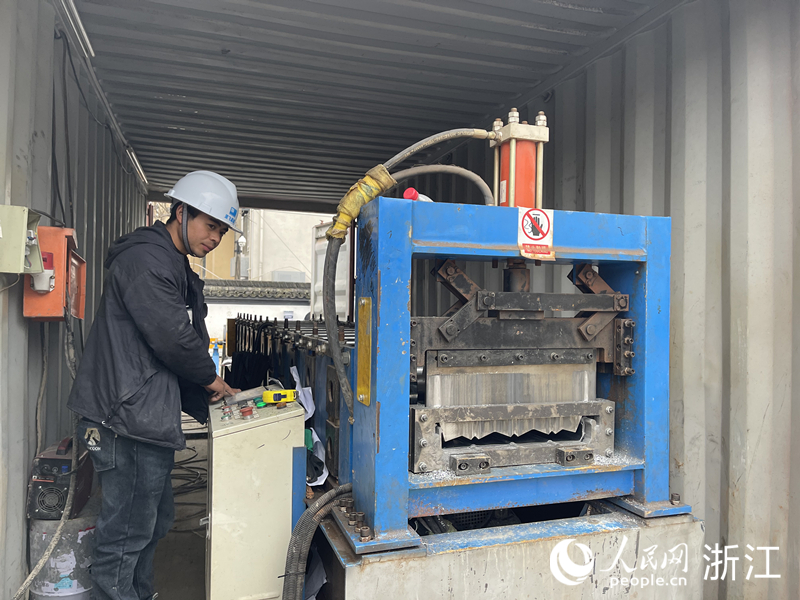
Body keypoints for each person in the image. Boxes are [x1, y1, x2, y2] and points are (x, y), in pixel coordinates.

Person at [68, 170, 242, 600]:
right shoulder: (146, 260)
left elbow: (177, 342)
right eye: (210, 225)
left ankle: (141, 593)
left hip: (144, 414)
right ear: (181, 212)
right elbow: (172, 338)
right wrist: (211, 379)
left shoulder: (172, 263)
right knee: (125, 535)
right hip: (124, 417)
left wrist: (210, 399)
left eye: (222, 231)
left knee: (154, 522)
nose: (215, 238)